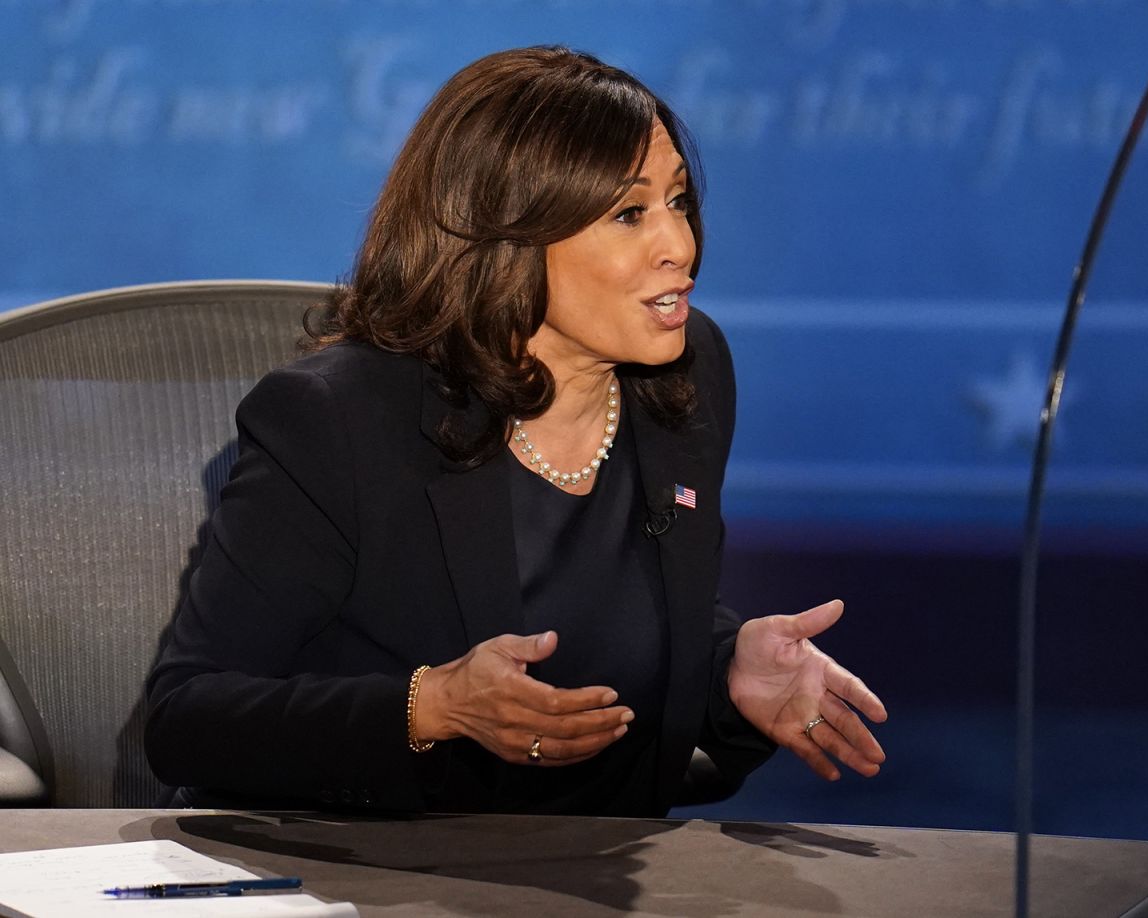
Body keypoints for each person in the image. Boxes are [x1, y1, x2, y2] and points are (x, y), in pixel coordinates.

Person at [144, 46, 887, 817]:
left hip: (593, 876)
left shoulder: (686, 377)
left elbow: (620, 638)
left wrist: (730, 676)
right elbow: (187, 719)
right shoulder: (339, 420)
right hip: (366, 875)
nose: (681, 246)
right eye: (630, 214)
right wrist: (429, 708)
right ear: (509, 240)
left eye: (678, 201)